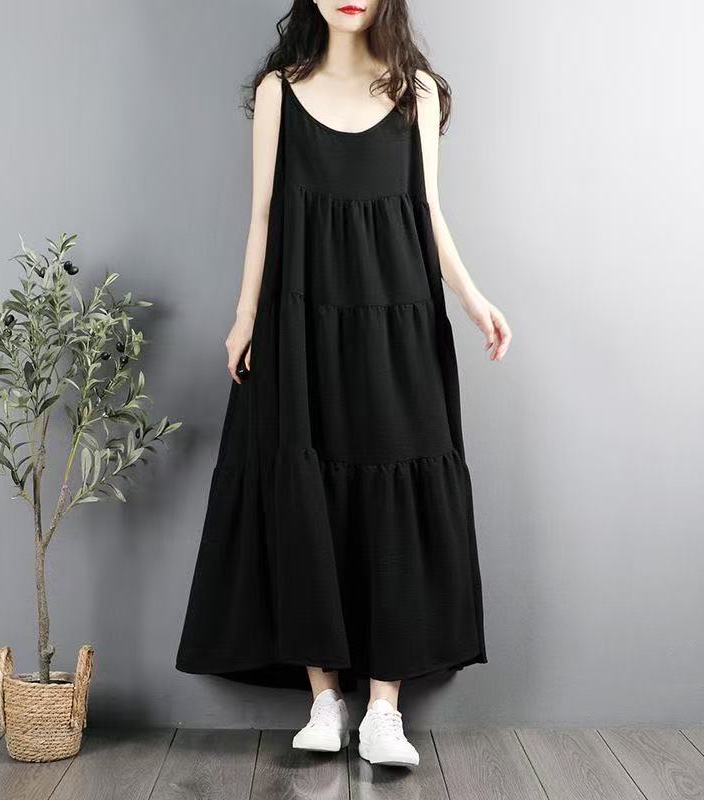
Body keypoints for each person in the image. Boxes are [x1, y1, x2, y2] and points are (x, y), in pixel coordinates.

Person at [177, 0, 511, 768]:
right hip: (300, 315)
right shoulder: (279, 91)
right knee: (305, 487)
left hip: (398, 317)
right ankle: (324, 699)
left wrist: (472, 299)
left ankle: (384, 711)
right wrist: (245, 315)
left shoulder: (415, 91)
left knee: (395, 486)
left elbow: (428, 211)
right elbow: (264, 214)